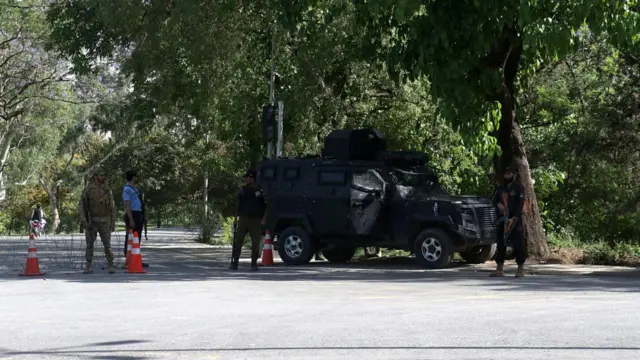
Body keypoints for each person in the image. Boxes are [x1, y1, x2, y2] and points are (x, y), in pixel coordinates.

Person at [78, 167, 116, 274]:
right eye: (101, 175)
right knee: (89, 244)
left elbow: (112, 207)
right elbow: (81, 206)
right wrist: (84, 220)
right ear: (96, 177)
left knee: (107, 244)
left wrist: (113, 222)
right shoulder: (88, 189)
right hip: (92, 221)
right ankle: (88, 265)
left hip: (105, 221)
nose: (103, 177)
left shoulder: (107, 189)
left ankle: (111, 264)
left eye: (104, 175)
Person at [491, 166, 527, 278]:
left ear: (514, 174)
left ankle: (520, 269)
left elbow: (520, 204)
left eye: (509, 173)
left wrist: (514, 218)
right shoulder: (501, 188)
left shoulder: (519, 188)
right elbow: (494, 201)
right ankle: (499, 268)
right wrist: (498, 205)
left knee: (518, 243)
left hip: (515, 220)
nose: (507, 175)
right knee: (501, 243)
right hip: (502, 219)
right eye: (506, 173)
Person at [229, 169, 267, 271]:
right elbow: (238, 205)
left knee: (255, 243)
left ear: (253, 178)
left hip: (255, 220)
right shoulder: (243, 190)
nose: (247, 179)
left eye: (249, 177)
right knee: (238, 242)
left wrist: (263, 219)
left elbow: (266, 207)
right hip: (243, 219)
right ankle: (234, 262)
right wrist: (236, 219)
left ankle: (253, 263)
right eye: (247, 177)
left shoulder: (260, 192)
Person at [122, 170, 146, 267]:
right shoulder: (127, 190)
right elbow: (127, 205)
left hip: (138, 214)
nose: (138, 178)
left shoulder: (134, 189)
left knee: (137, 238)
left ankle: (136, 258)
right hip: (132, 214)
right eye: (136, 176)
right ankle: (128, 260)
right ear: (132, 177)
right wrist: (131, 219)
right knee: (131, 238)